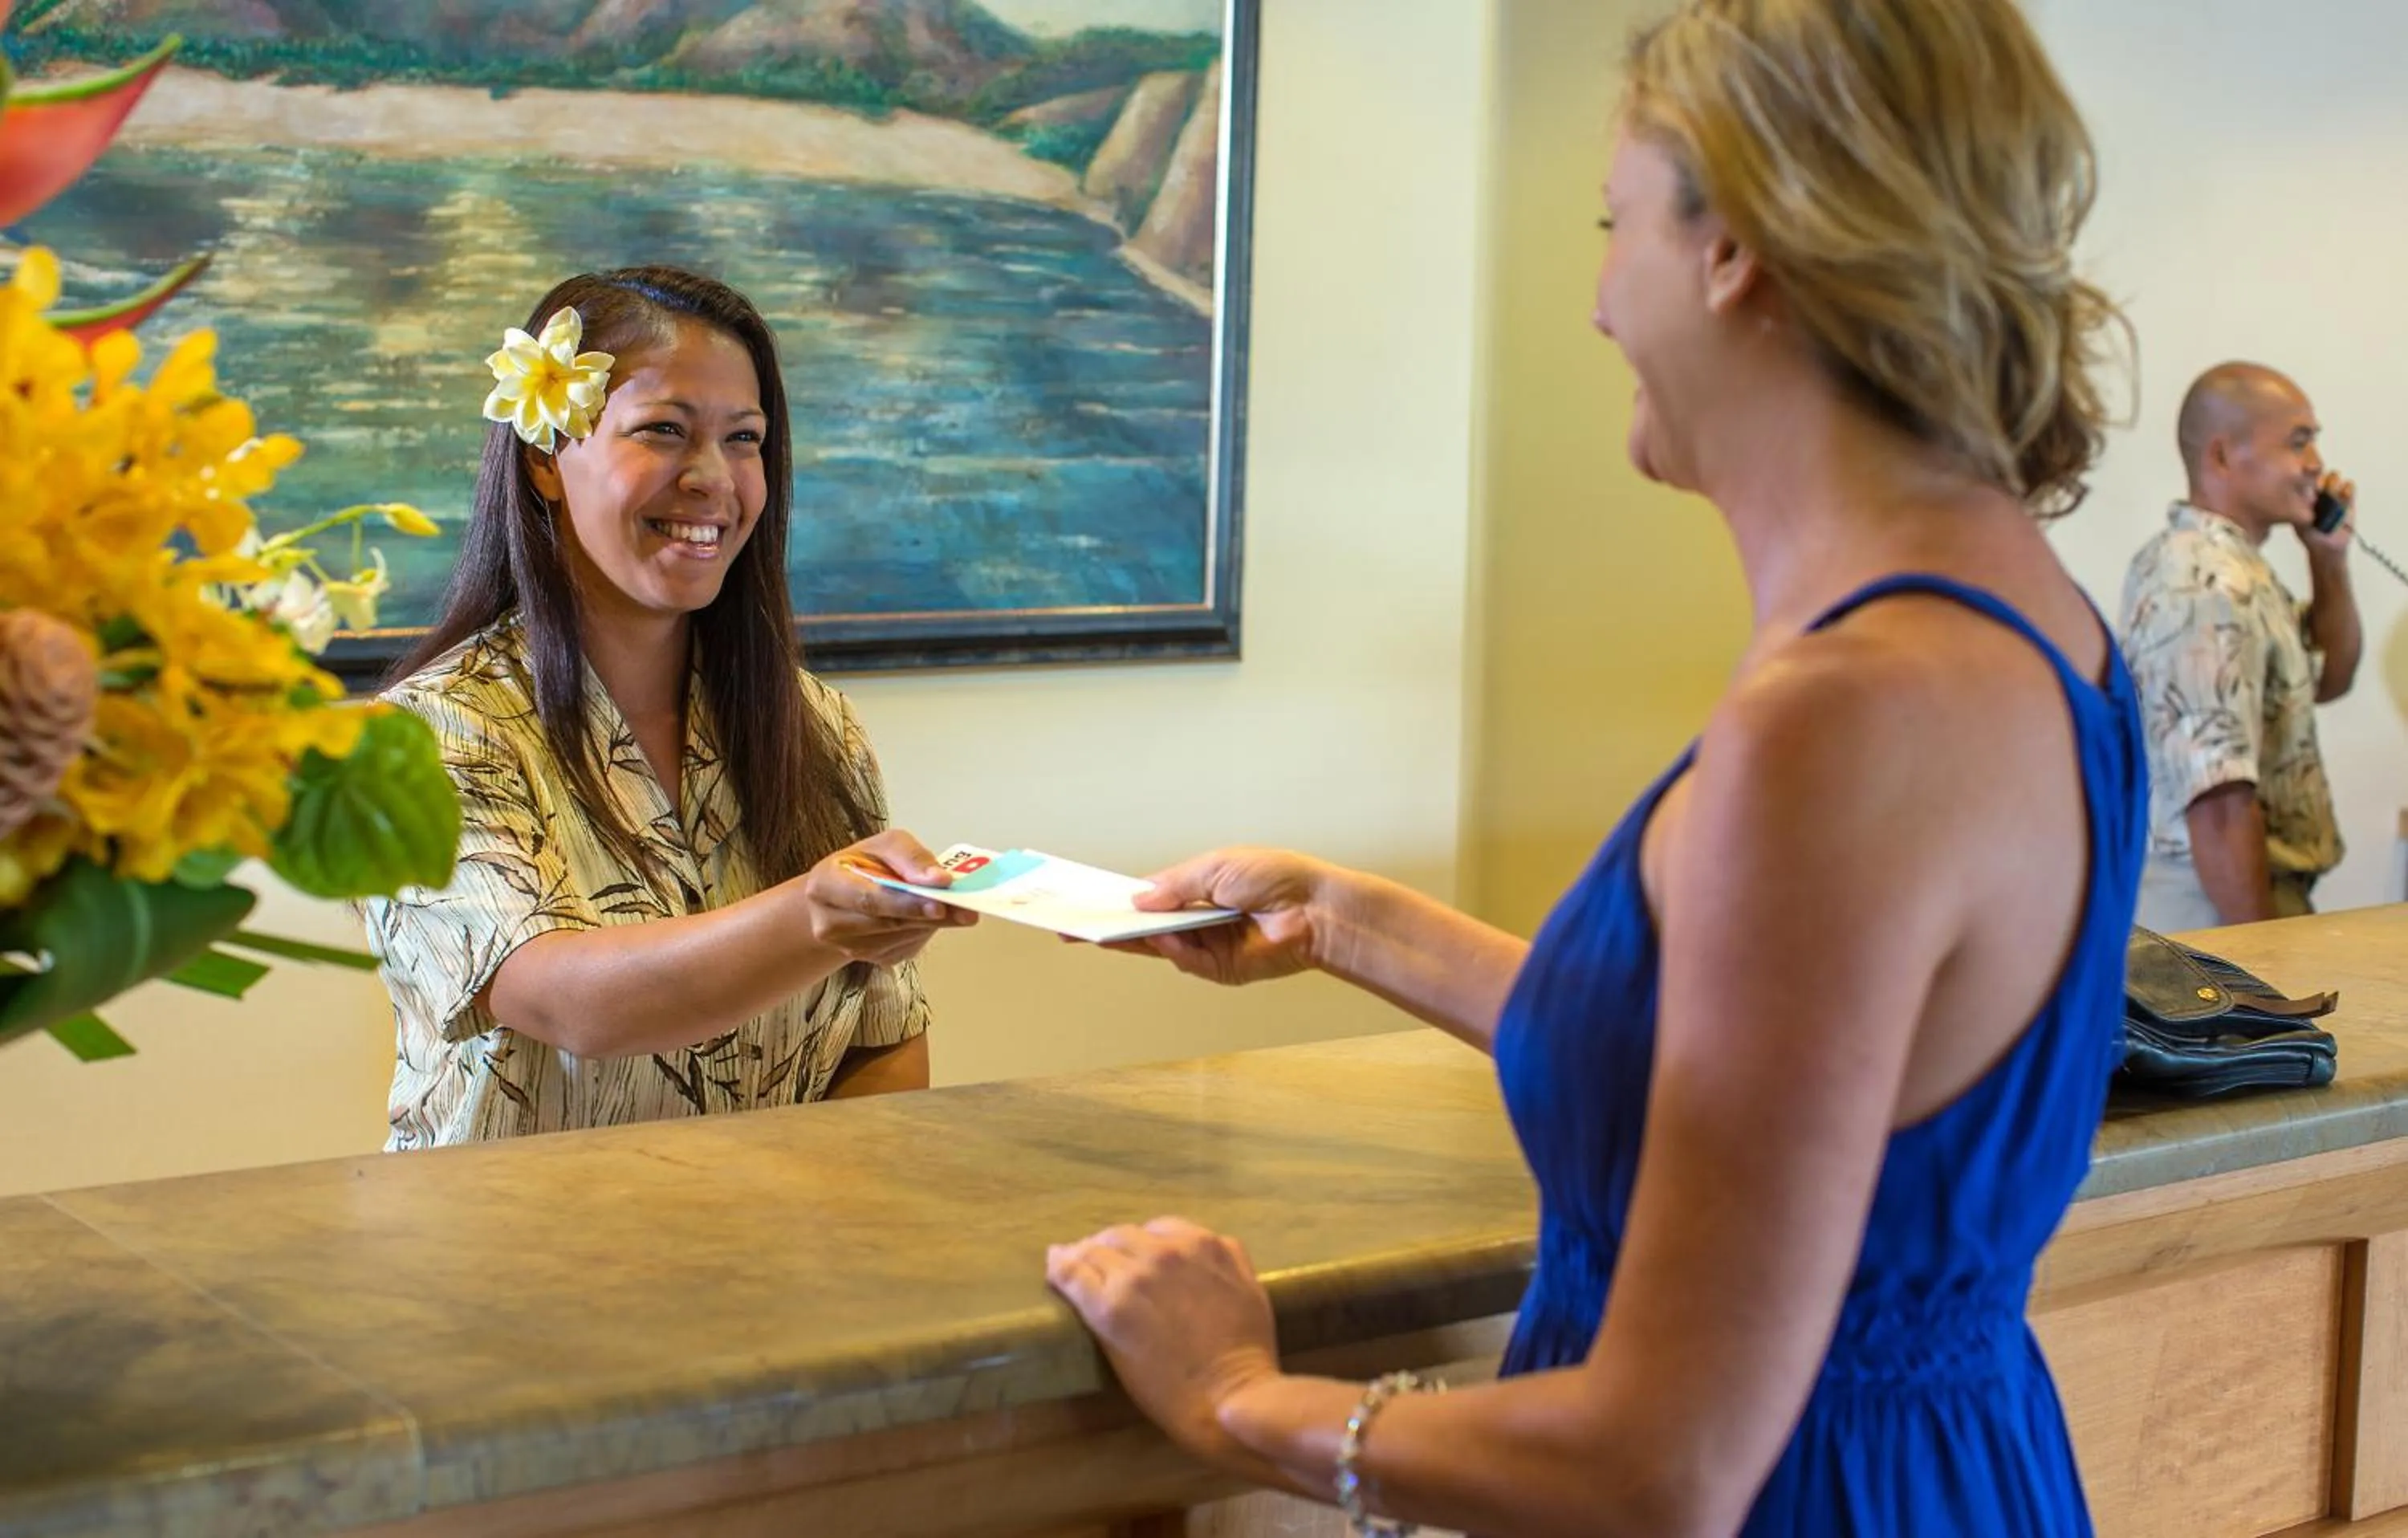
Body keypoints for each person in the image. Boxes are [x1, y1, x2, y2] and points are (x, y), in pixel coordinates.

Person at [1042, 1, 2144, 1532]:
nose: (1599, 301)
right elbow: (1765, 1079)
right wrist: (1352, 921)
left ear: (1736, 247)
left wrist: (1239, 1397)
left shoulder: (1836, 721)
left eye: (1614, 222)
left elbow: (1659, 1464)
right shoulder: (2044, 629)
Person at [358, 266, 974, 1150]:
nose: (711, 479)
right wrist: (815, 916)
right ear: (544, 459)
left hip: (781, 1257)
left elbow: (879, 1038)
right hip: (507, 1269)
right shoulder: (422, 736)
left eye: (744, 439)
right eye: (664, 431)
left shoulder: (818, 726)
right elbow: (567, 1000)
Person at [2120, 362, 2360, 931]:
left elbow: (2330, 677)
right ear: (2223, 457)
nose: (2316, 464)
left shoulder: (2238, 571)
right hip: (2214, 907)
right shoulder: (2202, 582)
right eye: (2298, 442)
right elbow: (2218, 800)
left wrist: (2328, 560)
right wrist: (2265, 969)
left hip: (2240, 897)